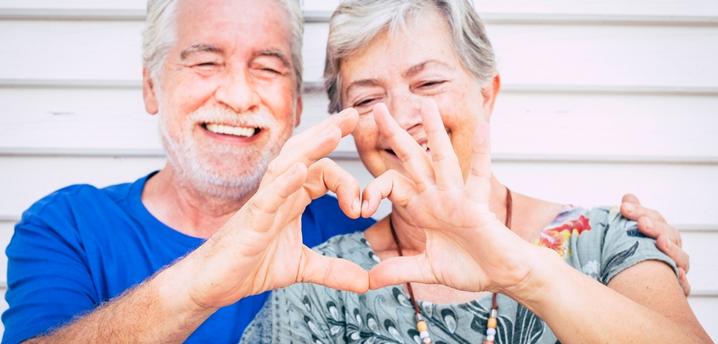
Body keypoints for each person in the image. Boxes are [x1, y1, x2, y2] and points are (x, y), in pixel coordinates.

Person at [0, 0, 690, 343]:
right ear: (151, 87)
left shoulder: (350, 219)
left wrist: (619, 265)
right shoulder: (69, 227)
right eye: (204, 61)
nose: (399, 120)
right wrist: (204, 281)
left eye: (267, 67)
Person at [240, 0, 711, 343]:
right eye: (366, 99)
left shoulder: (609, 239)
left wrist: (524, 273)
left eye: (428, 82)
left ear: (486, 94)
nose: (401, 117)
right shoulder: (323, 282)